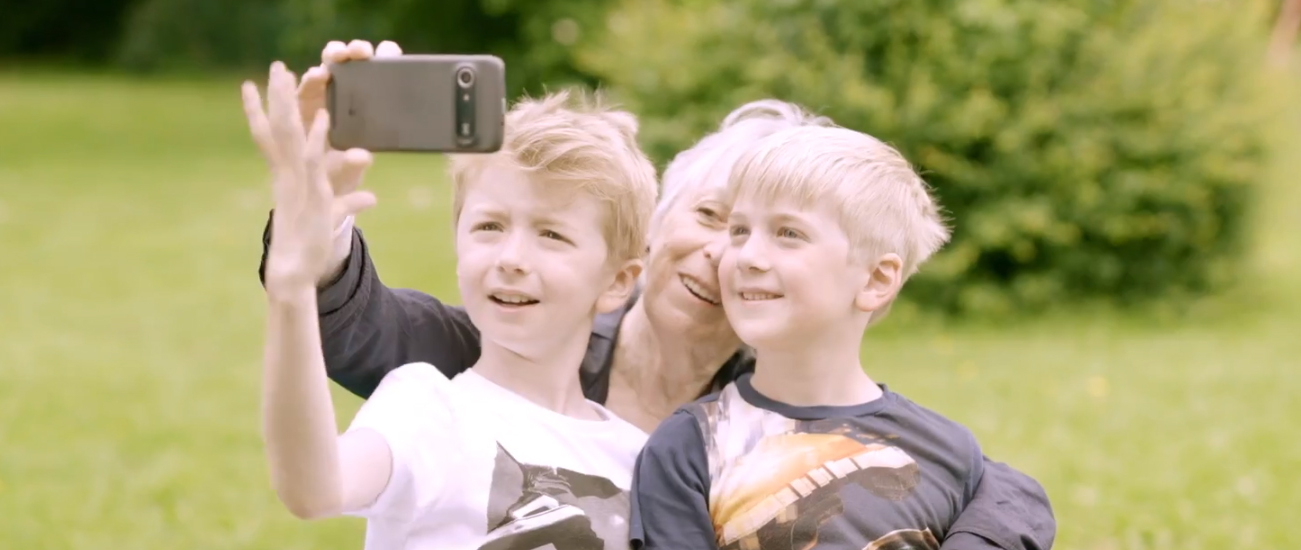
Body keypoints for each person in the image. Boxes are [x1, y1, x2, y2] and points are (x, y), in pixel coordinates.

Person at [255, 39, 1055, 550]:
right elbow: (354, 347)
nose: (728, 254)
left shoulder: (731, 431)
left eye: (773, 234)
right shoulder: (455, 379)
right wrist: (307, 257)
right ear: (653, 234)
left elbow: (983, 481)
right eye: (712, 217)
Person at [249, 48, 663, 549]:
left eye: (551, 235)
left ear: (619, 281)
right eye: (490, 225)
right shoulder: (428, 408)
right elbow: (314, 489)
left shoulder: (641, 460)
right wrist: (293, 288)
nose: (511, 257)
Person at [628, 123, 987, 550]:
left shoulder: (948, 450)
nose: (745, 256)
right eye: (740, 230)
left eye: (788, 233)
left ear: (875, 279)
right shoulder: (687, 446)